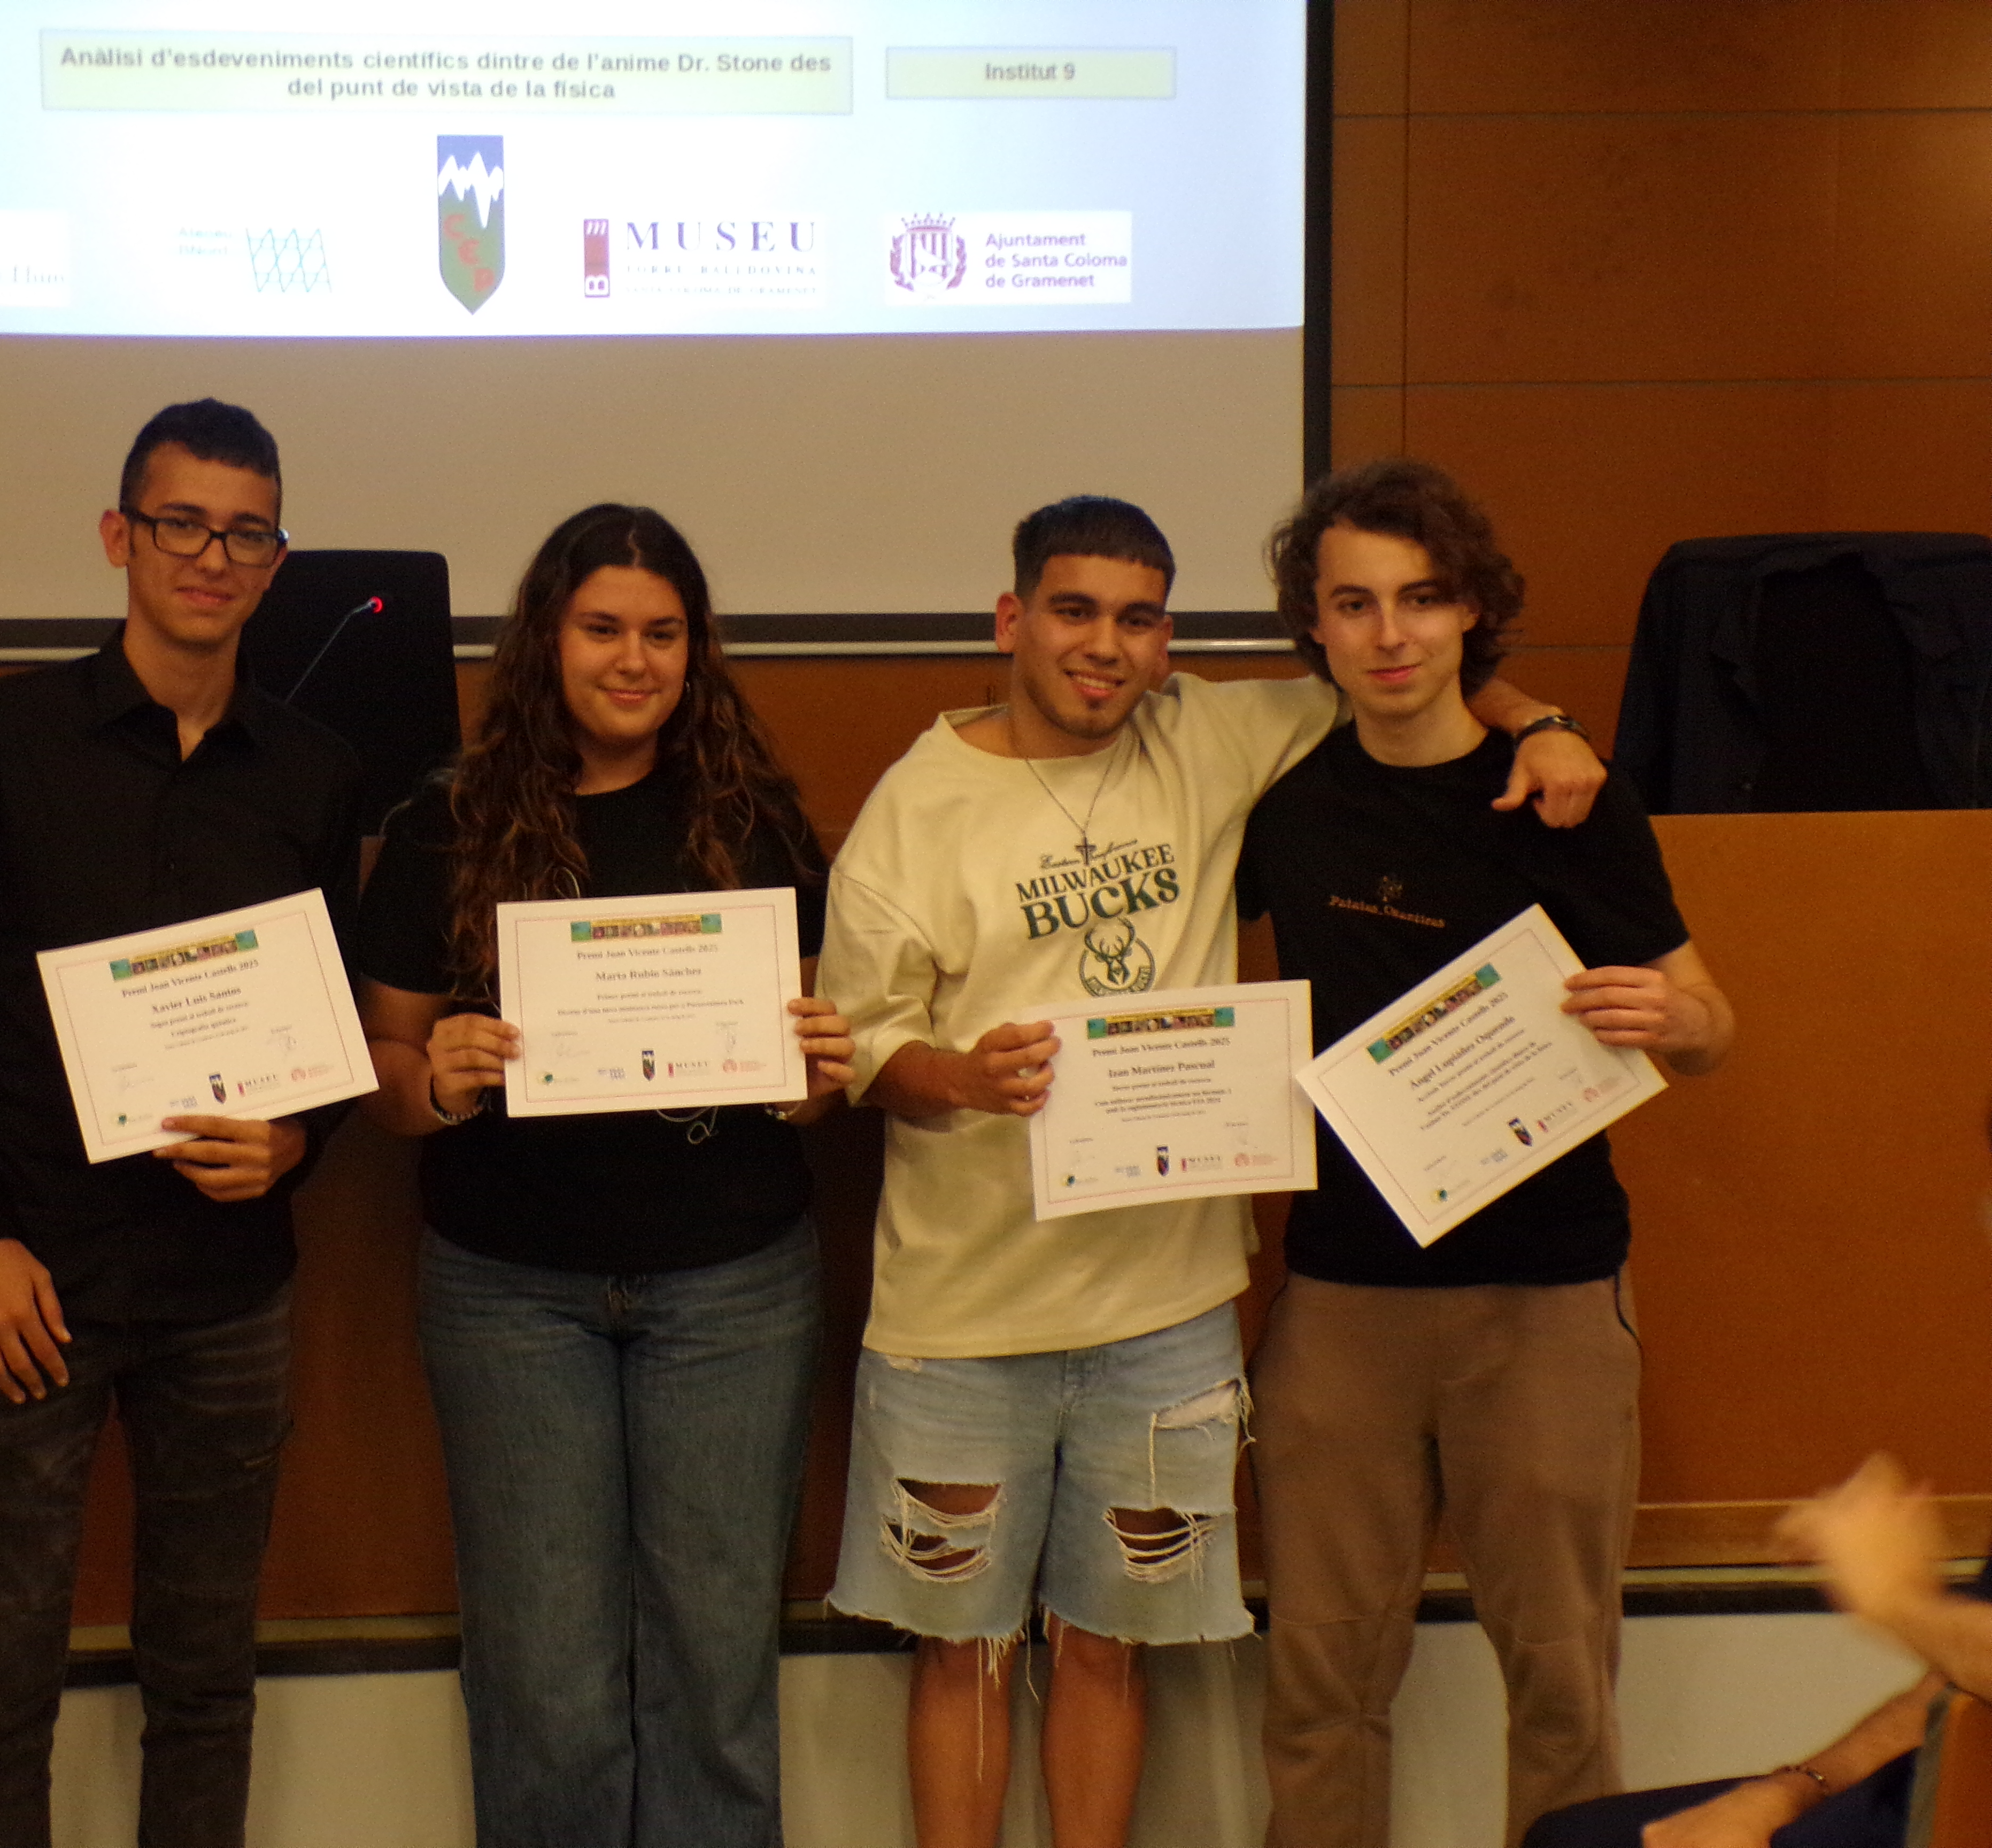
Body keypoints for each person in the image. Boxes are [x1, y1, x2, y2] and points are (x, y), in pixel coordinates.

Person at [816, 494, 1607, 1848]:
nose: (1104, 646)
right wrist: (961, 1076)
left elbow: (1406, 671)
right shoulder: (916, 805)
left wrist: (1543, 721)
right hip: (960, 1317)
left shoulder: (1213, 733)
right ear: (1011, 620)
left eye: (1137, 620)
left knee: (1110, 1649)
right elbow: (862, 1049)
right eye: (1074, 611)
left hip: (1165, 1315)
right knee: (962, 1654)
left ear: (1166, 641)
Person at [0, 399, 361, 1848]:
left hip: (226, 1294)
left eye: (245, 533)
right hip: (29, 1285)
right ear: (117, 537)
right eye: (180, 523)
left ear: (276, 562)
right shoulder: (1, 736)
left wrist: (299, 1142)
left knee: (205, 1686)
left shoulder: (314, 772)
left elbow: (330, 1042)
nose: (211, 555)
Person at [1237, 457, 1736, 1848]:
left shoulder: (1569, 800)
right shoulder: (1283, 804)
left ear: (1471, 611)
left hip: (1547, 1305)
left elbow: (1712, 1023)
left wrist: (1676, 1020)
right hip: (1342, 1302)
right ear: (1316, 626)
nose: (1390, 633)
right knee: (1320, 1690)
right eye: (1355, 603)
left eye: (1422, 597)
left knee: (1564, 1688)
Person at [353, 503, 855, 1848]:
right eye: (602, 629)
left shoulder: (753, 820)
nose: (633, 660)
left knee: (715, 1666)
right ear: (546, 640)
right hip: (510, 1295)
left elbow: (809, 1075)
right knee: (547, 1681)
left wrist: (817, 1072)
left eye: (662, 633)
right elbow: (382, 1068)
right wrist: (438, 1076)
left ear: (696, 651)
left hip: (733, 1288)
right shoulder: (447, 823)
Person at [1527, 1453, 1992, 1847]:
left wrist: (1898, 1598)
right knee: (1575, 1838)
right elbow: (1954, 1691)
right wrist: (1787, 1793)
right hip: (1915, 1795)